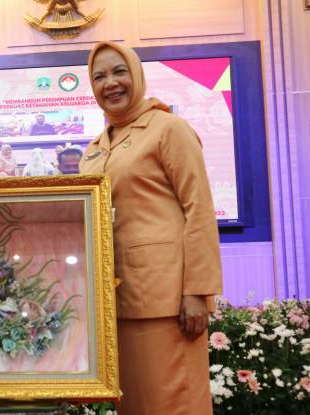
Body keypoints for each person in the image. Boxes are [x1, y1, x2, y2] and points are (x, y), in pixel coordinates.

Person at [79, 41, 222, 415]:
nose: (110, 83)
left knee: (175, 404)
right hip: (115, 304)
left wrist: (197, 292)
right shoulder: (93, 149)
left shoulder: (168, 129)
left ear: (137, 75)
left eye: (119, 71)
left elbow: (199, 210)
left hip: (169, 304)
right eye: (99, 77)